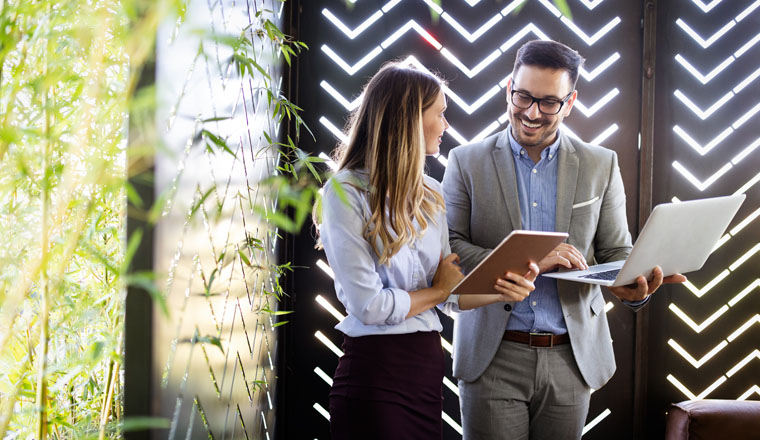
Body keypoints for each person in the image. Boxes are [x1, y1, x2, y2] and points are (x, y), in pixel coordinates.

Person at [442, 40, 686, 439]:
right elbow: (449, 249)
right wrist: (534, 258)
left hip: (571, 359)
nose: (532, 113)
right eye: (523, 96)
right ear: (509, 89)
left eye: (549, 102)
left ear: (570, 101)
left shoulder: (600, 163)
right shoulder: (466, 161)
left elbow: (615, 251)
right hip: (493, 355)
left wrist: (633, 287)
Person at [317, 62, 539, 440]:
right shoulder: (344, 193)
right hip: (375, 375)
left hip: (424, 370)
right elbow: (368, 306)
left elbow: (449, 296)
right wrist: (437, 291)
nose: (446, 125)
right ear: (408, 120)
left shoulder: (431, 192)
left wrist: (504, 287)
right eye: (440, 113)